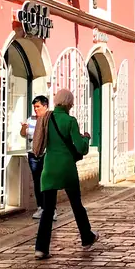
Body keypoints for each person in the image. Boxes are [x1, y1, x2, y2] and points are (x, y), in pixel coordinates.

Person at [32, 89, 98, 259]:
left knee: (47, 210)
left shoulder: (46, 118)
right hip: (67, 168)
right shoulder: (70, 121)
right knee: (76, 205)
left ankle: (41, 248)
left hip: (49, 168)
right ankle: (86, 237)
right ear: (69, 103)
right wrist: (86, 138)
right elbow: (81, 148)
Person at [21, 95, 54, 220]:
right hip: (33, 154)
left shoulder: (50, 119)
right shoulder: (31, 119)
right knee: (37, 181)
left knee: (47, 181)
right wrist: (24, 128)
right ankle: (40, 206)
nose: (35, 109)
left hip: (46, 154)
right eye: (34, 107)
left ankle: (51, 208)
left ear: (45, 106)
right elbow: (23, 135)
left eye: (38, 107)